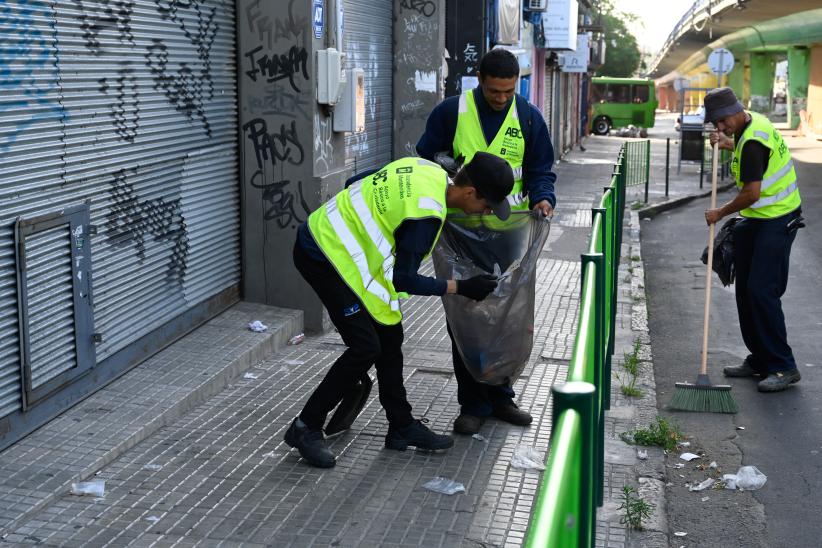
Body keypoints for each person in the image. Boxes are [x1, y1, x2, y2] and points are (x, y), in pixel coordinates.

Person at [285, 152, 515, 468]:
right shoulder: (427, 215)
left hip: (348, 255)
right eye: (487, 205)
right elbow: (404, 280)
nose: (486, 212)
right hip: (321, 254)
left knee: (390, 336)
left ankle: (401, 426)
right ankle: (305, 426)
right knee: (365, 348)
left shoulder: (427, 169)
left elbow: (356, 181)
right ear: (470, 192)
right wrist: (463, 287)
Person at [416, 48, 557, 434]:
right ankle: (473, 403)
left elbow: (541, 169)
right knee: (466, 316)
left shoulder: (528, 118)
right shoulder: (451, 112)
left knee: (507, 316)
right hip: (460, 234)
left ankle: (500, 397)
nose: (500, 98)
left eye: (508, 91)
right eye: (495, 91)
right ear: (480, 79)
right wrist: (450, 170)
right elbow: (426, 157)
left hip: (509, 235)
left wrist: (544, 197)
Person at [703, 87, 803, 392]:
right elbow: (747, 152)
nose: (719, 127)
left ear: (733, 109)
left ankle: (783, 366)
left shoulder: (754, 140)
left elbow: (751, 193)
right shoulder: (750, 124)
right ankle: (760, 359)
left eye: (721, 122)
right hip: (758, 219)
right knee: (744, 289)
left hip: (778, 218)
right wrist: (726, 143)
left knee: (762, 291)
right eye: (716, 125)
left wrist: (720, 212)